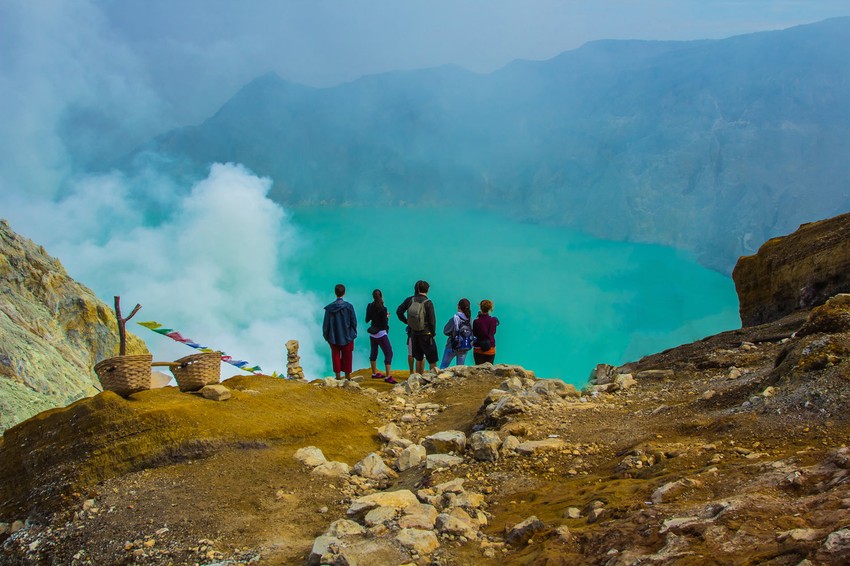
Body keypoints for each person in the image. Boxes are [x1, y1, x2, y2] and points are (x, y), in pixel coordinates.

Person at [396, 280, 438, 374]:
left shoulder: (410, 300)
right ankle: (432, 380)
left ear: (417, 289)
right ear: (427, 290)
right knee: (432, 360)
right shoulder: (428, 303)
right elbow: (432, 321)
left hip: (414, 333)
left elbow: (399, 312)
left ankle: (417, 379)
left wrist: (407, 322)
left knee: (418, 359)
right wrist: (433, 333)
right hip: (426, 334)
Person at [322, 284, 357, 379]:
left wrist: (327, 336)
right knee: (348, 356)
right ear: (344, 293)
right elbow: (354, 322)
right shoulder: (349, 307)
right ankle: (347, 377)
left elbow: (326, 324)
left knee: (335, 356)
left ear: (335, 293)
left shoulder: (329, 308)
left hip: (333, 337)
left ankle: (338, 377)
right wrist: (353, 334)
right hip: (347, 336)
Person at [365, 289, 397, 384]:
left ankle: (374, 373)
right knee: (389, 353)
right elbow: (384, 325)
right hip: (381, 334)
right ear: (381, 296)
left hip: (372, 333)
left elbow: (367, 319)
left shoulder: (370, 306)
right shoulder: (383, 309)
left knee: (374, 352)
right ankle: (388, 376)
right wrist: (386, 317)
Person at [439, 298, 473, 369]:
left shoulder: (455, 318)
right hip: (464, 347)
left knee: (444, 366)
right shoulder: (469, 319)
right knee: (460, 368)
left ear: (458, 307)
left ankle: (440, 379)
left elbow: (445, 331)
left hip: (452, 345)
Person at [472, 299, 500, 365]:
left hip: (478, 348)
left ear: (480, 308)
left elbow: (475, 334)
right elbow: (493, 332)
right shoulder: (493, 320)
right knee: (489, 369)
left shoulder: (476, 321)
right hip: (490, 347)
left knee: (478, 369)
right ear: (490, 309)